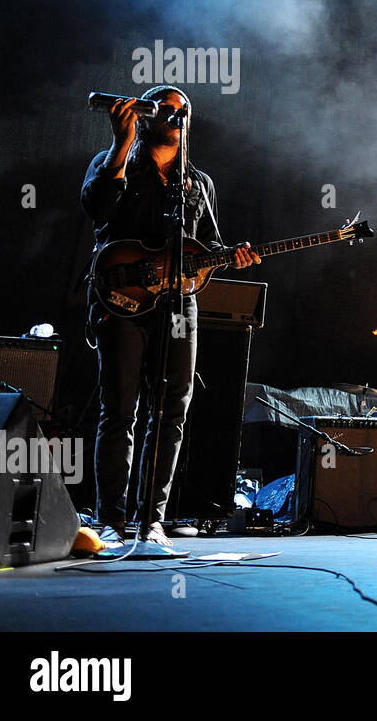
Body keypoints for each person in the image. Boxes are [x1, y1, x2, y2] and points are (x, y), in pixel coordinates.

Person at [82, 87, 259, 547]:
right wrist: (121, 145)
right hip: (121, 298)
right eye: (165, 108)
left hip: (179, 304)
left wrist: (231, 257)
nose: (175, 115)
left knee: (171, 411)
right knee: (119, 409)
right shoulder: (115, 160)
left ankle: (151, 520)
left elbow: (210, 246)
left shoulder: (197, 182)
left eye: (183, 110)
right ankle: (111, 520)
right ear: (146, 115)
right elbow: (96, 207)